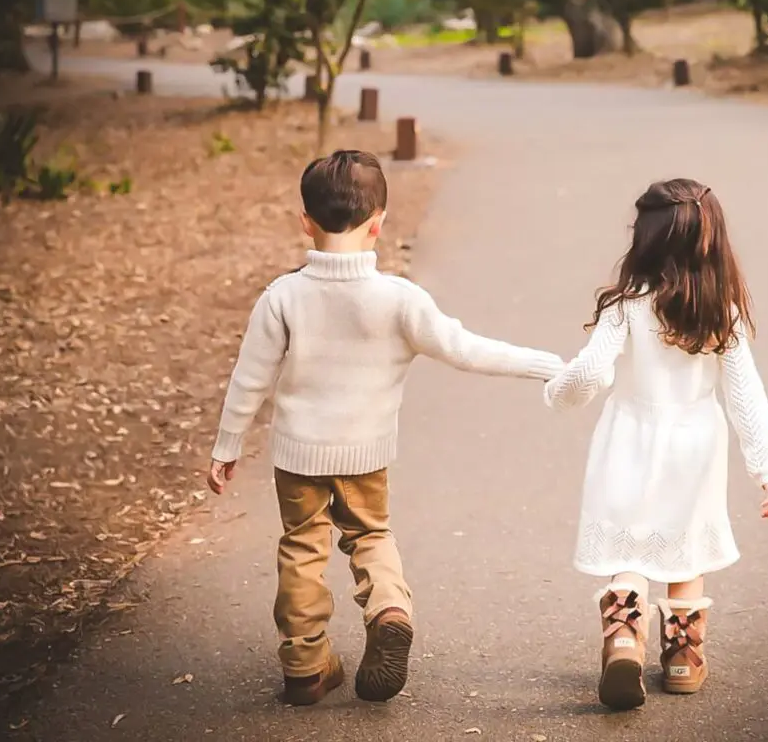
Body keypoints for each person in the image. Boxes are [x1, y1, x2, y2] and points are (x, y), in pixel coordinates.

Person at [207, 150, 565, 707]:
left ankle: (304, 666)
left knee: (302, 547)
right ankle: (388, 609)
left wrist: (226, 447)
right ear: (379, 223)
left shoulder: (283, 297)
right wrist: (547, 365)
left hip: (298, 457)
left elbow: (249, 378)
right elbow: (467, 351)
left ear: (306, 221)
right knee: (369, 535)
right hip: (364, 454)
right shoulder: (399, 300)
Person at [543, 178, 768, 711]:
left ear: (646, 239)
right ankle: (681, 656)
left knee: (628, 545)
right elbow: (745, 392)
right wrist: (766, 467)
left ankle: (624, 639)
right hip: (696, 442)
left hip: (628, 435)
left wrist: (558, 394)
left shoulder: (627, 303)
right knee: (686, 544)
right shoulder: (722, 308)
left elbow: (590, 371)